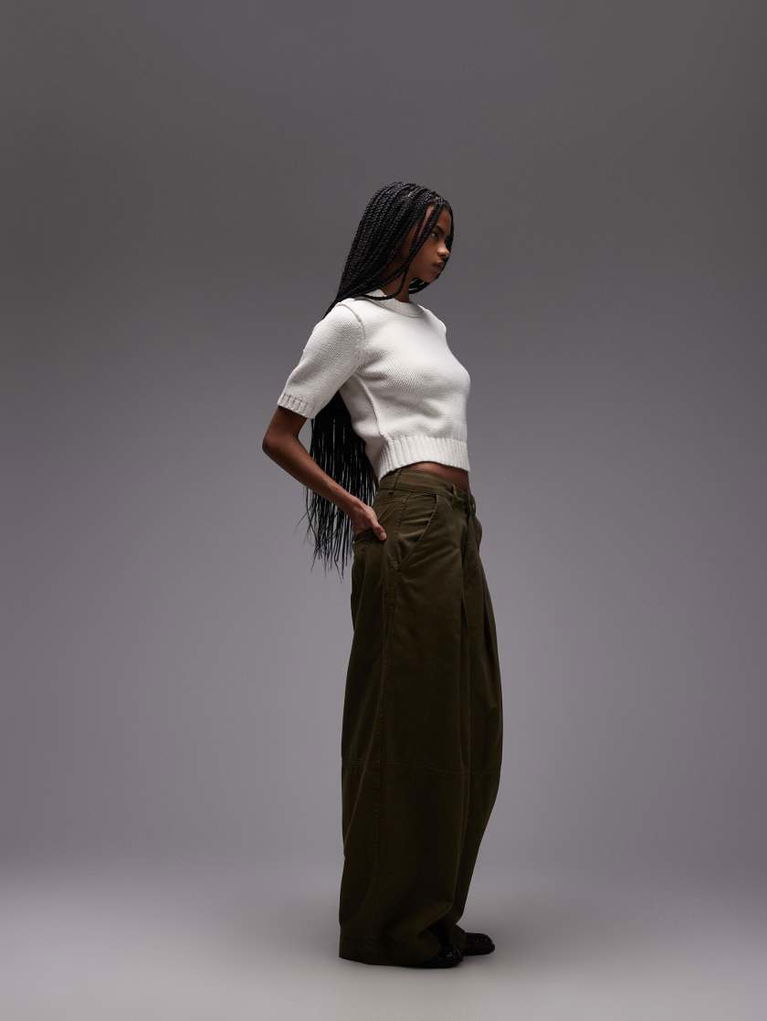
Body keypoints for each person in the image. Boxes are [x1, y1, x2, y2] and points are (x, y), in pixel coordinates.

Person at [262, 181, 503, 968]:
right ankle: (383, 926)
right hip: (409, 518)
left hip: (457, 522)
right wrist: (354, 505)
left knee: (471, 719)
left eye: (450, 238)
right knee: (407, 722)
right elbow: (279, 434)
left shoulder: (430, 325)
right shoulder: (352, 321)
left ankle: (433, 911)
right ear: (397, 234)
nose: (445, 251)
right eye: (435, 234)